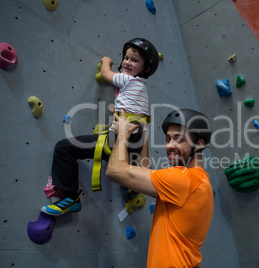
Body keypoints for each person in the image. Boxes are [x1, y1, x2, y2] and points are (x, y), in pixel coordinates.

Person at [41, 38, 159, 216]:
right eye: (126, 58)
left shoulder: (127, 79)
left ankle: (71, 198)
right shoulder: (142, 90)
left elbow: (106, 74)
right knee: (125, 162)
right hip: (136, 142)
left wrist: (106, 62)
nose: (127, 62)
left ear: (145, 69)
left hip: (118, 140)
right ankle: (131, 188)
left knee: (63, 149)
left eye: (134, 60)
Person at [106, 108, 214, 268]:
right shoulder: (198, 181)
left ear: (199, 144)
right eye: (168, 139)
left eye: (179, 139)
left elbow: (114, 170)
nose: (170, 145)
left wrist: (123, 134)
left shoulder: (183, 179)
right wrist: (143, 131)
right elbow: (145, 170)